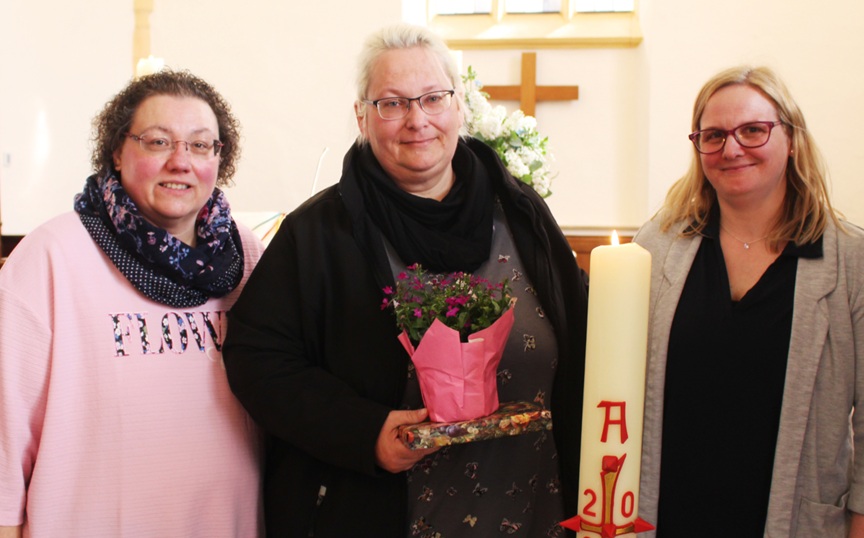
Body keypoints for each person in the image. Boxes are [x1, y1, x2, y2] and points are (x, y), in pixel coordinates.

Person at [223, 23, 588, 538]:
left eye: (434, 98)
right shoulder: (319, 233)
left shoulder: (521, 213)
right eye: (392, 103)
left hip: (533, 508)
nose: (418, 120)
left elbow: (581, 330)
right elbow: (256, 358)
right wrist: (365, 431)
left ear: (459, 106)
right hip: (378, 514)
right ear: (361, 116)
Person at [633, 65, 864, 537]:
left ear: (792, 139)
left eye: (753, 130)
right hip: (668, 518)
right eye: (714, 135)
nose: (732, 149)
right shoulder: (656, 248)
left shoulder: (857, 263)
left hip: (791, 523)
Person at [0, 69, 264, 537]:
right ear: (118, 152)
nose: (181, 161)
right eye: (158, 141)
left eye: (200, 144)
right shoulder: (52, 255)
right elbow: (6, 423)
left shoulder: (245, 256)